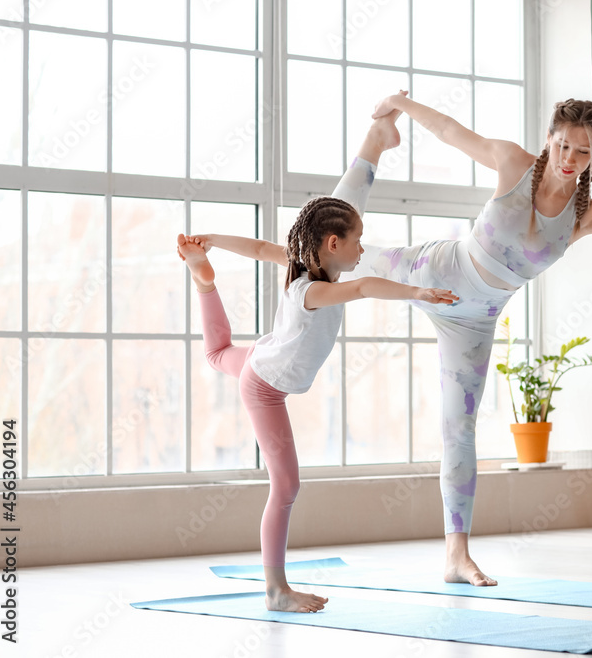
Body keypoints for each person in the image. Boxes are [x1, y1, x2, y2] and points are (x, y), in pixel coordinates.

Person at [205, 93, 592, 588]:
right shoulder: (514, 164)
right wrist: (402, 105)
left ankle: (456, 552)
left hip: (475, 319)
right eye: (563, 144)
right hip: (433, 270)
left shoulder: (587, 214)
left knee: (459, 427)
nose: (568, 158)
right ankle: (374, 142)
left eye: (582, 151)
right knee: (316, 254)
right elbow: (453, 132)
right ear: (550, 139)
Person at [178, 114, 458, 613]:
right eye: (358, 240)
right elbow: (367, 285)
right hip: (265, 386)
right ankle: (275, 590)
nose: (363, 247)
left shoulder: (300, 268)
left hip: (263, 359)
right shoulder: (316, 291)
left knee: (218, 354)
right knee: (286, 487)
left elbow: (264, 247)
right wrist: (419, 292)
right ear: (334, 245)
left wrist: (213, 240)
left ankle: (203, 280)